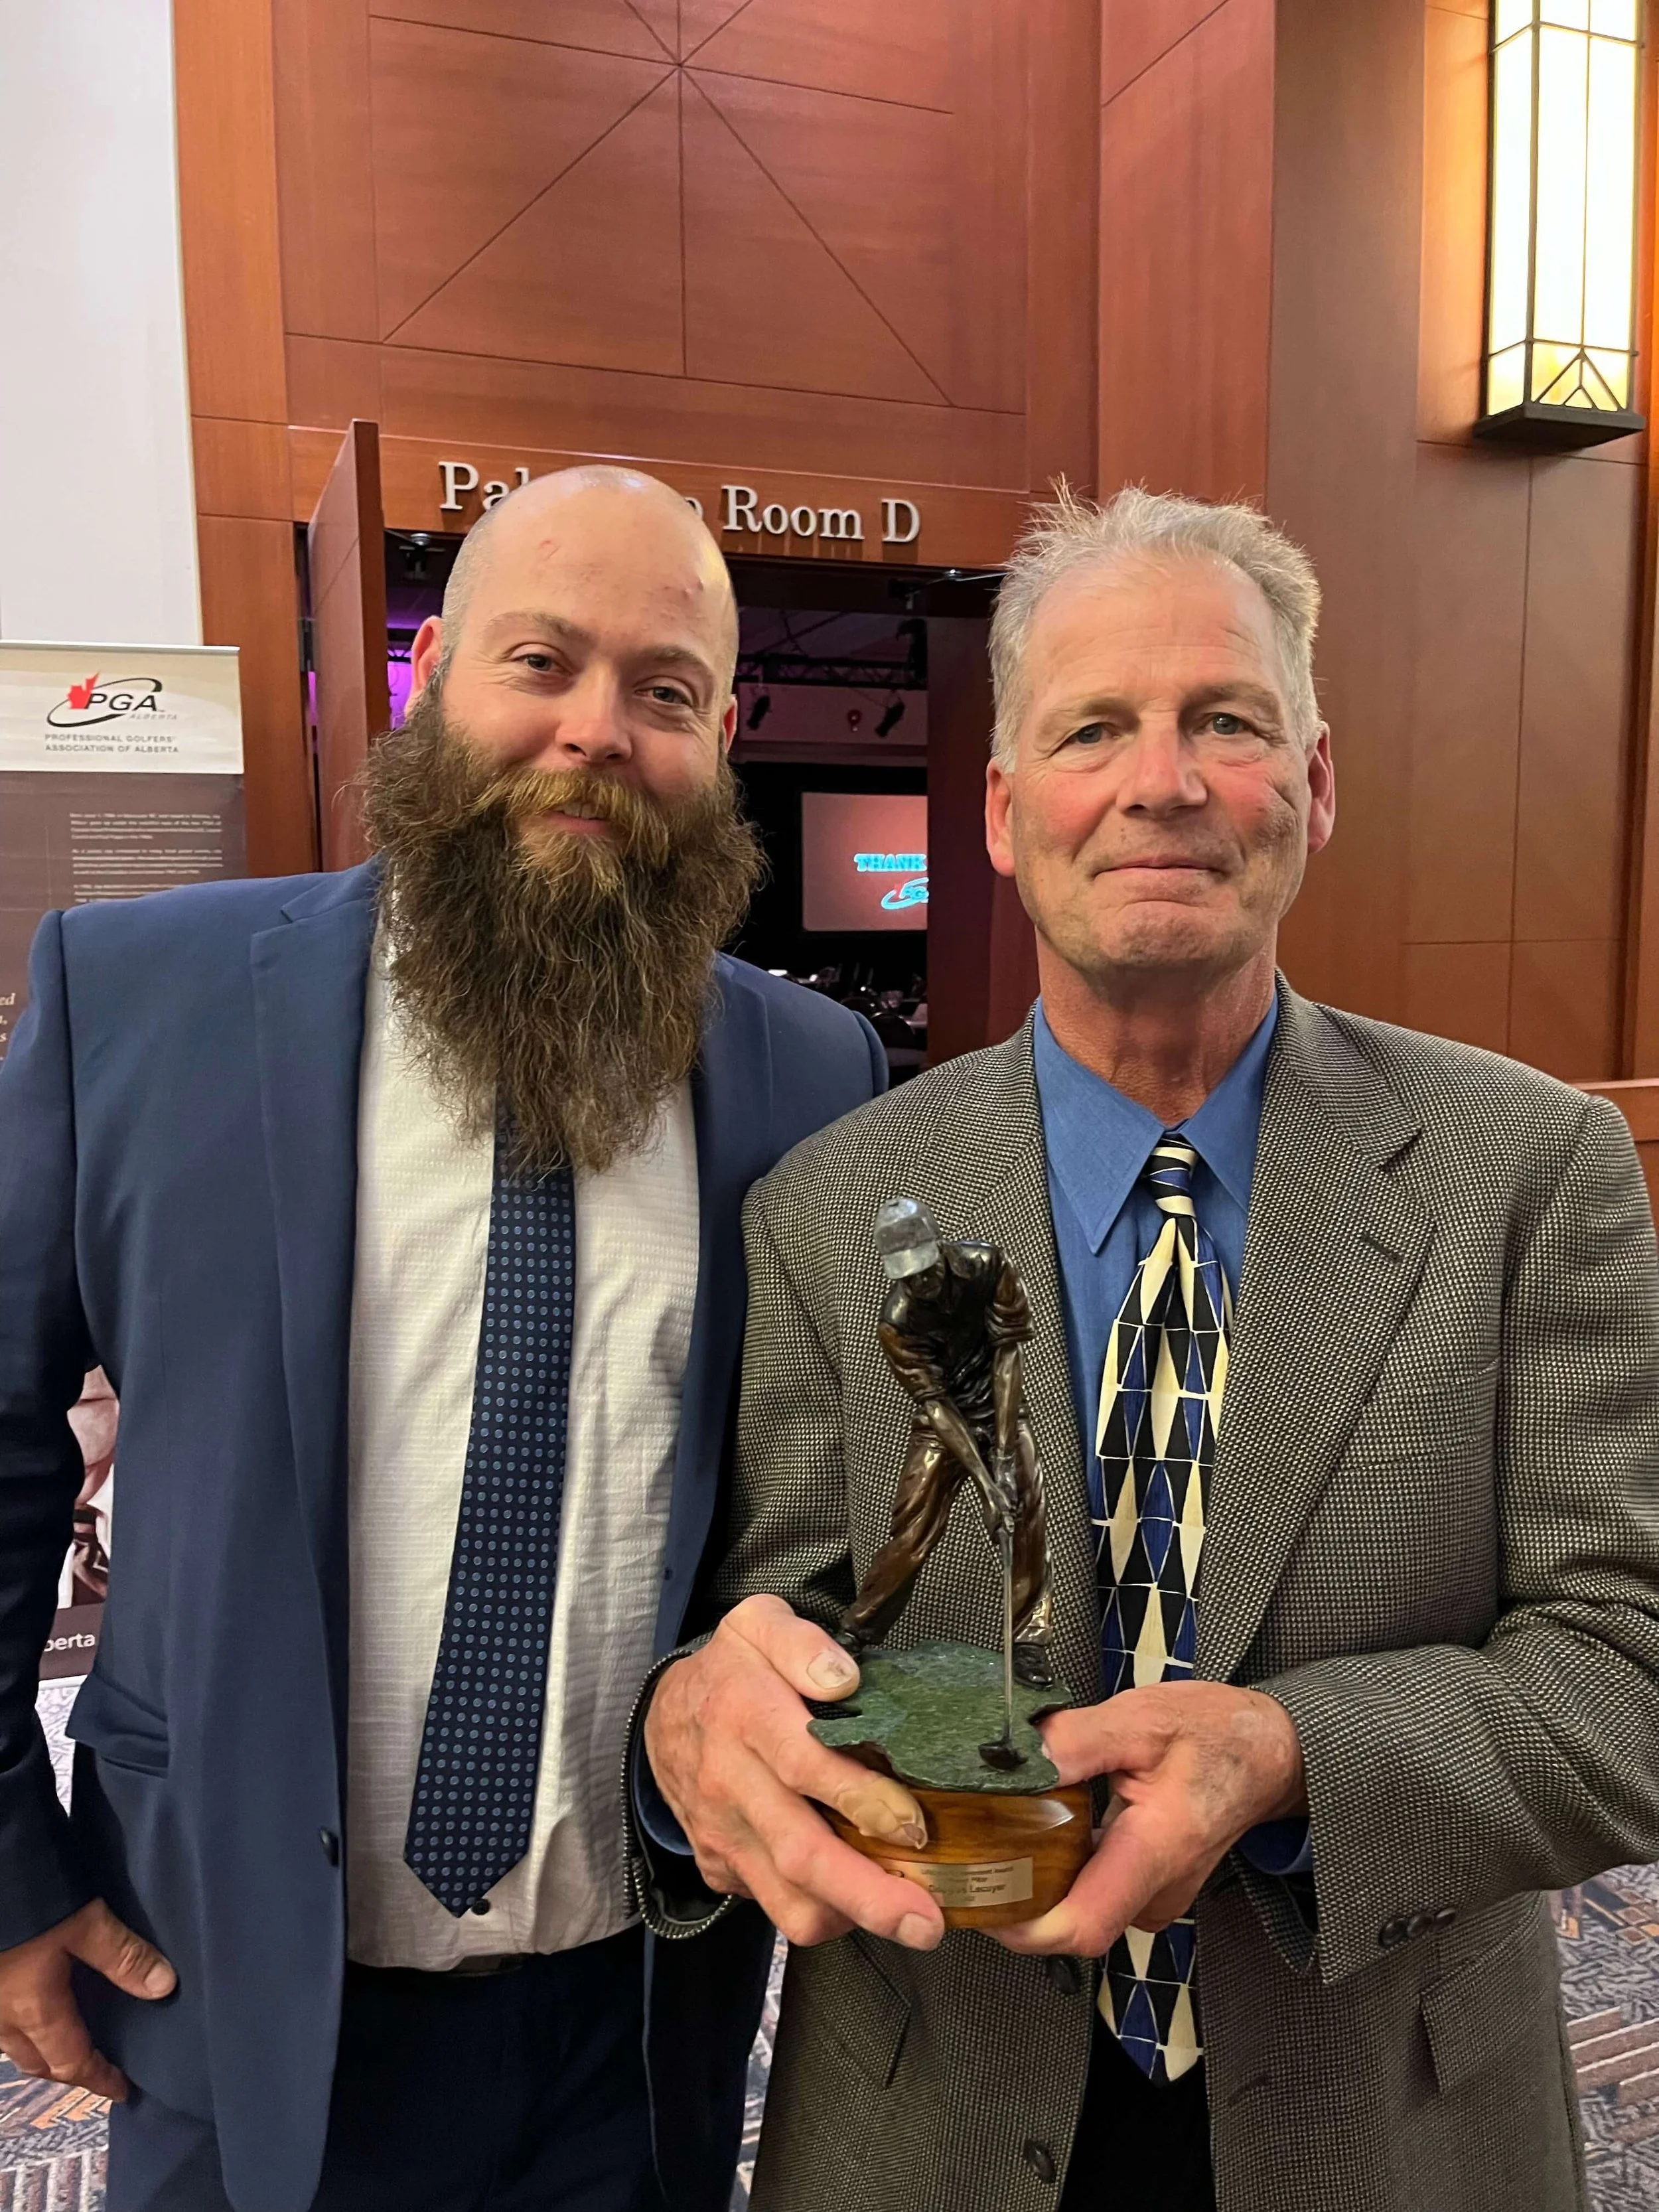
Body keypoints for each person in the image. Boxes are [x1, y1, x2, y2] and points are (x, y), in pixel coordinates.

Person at [637, 486, 1659, 2212]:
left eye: (1226, 722)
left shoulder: (1526, 1169)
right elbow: (778, 1625)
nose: (1161, 780)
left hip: (1392, 2117)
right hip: (927, 2115)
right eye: (1092, 727)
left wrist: (1292, 1754)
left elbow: (1628, 1672)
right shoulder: (834, 1202)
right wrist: (708, 1706)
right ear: (1002, 812)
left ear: (1314, 785)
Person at [0, 465, 899, 2212]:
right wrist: (4, 1867)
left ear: (722, 737)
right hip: (227, 1982)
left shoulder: (810, 1073)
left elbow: (825, 1505)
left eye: (663, 690)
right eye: (539, 661)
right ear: (429, 684)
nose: (595, 731)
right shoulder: (139, 1001)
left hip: (636, 2029)